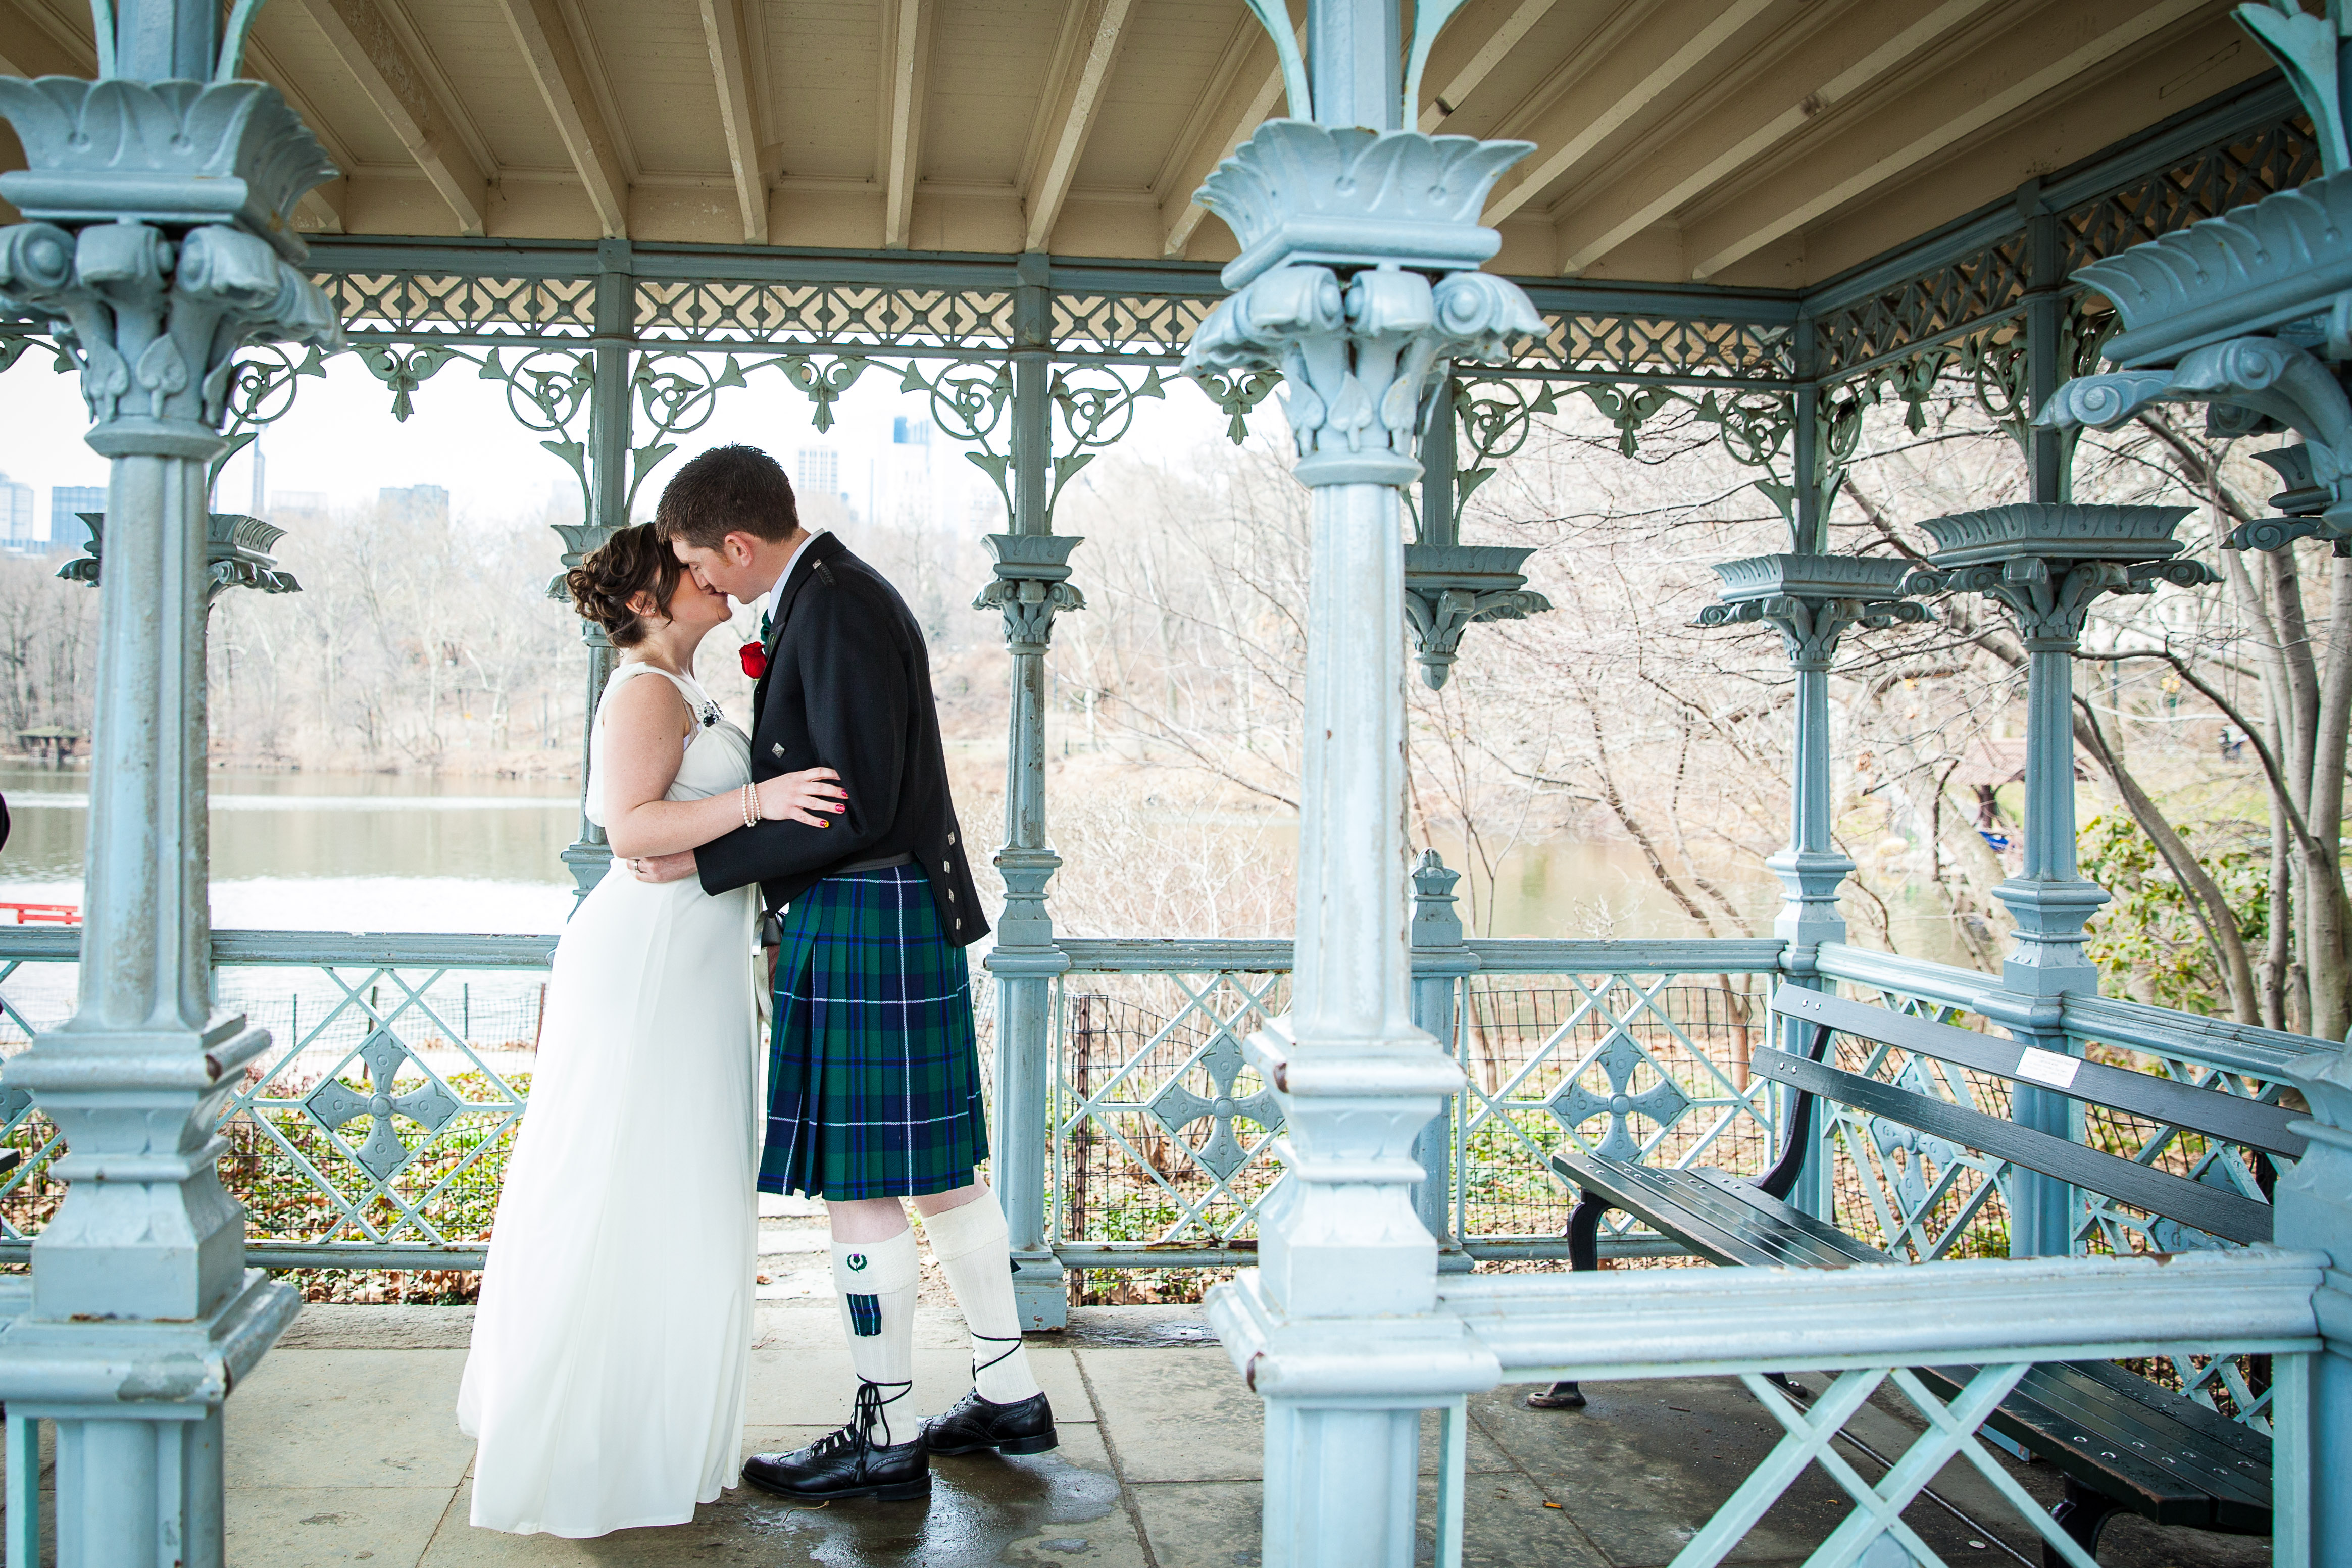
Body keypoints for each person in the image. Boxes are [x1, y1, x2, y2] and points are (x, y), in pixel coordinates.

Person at [632, 444, 1052, 1504]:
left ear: (736, 542)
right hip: (885, 906)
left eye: (701, 561)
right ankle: (1007, 1389)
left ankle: (886, 1428)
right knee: (942, 1175)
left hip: (868, 904)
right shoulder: (827, 596)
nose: (706, 586)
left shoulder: (837, 605)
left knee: (864, 1187)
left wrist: (703, 857)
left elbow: (852, 804)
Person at [456, 524, 847, 1538]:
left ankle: (652, 1431)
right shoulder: (644, 691)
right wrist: (760, 800)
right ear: (652, 597)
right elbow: (628, 830)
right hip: (644, 968)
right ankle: (587, 1440)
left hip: (696, 958)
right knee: (622, 1178)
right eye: (692, 570)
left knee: (681, 1186)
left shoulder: (690, 689)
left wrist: (735, 833)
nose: (714, 578)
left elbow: (684, 829)